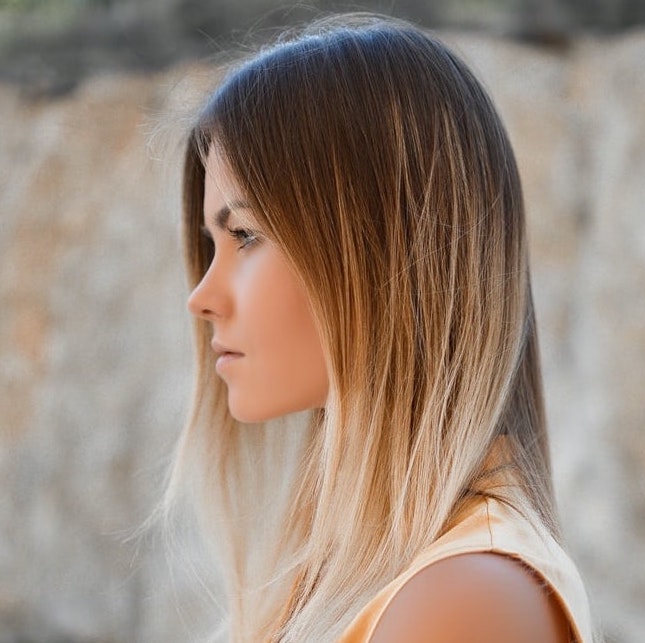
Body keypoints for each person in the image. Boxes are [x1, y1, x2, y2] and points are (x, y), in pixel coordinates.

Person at [170, 13, 594, 642]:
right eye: (213, 242)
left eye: (246, 235)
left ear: (385, 253)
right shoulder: (361, 571)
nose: (202, 296)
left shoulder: (466, 598)